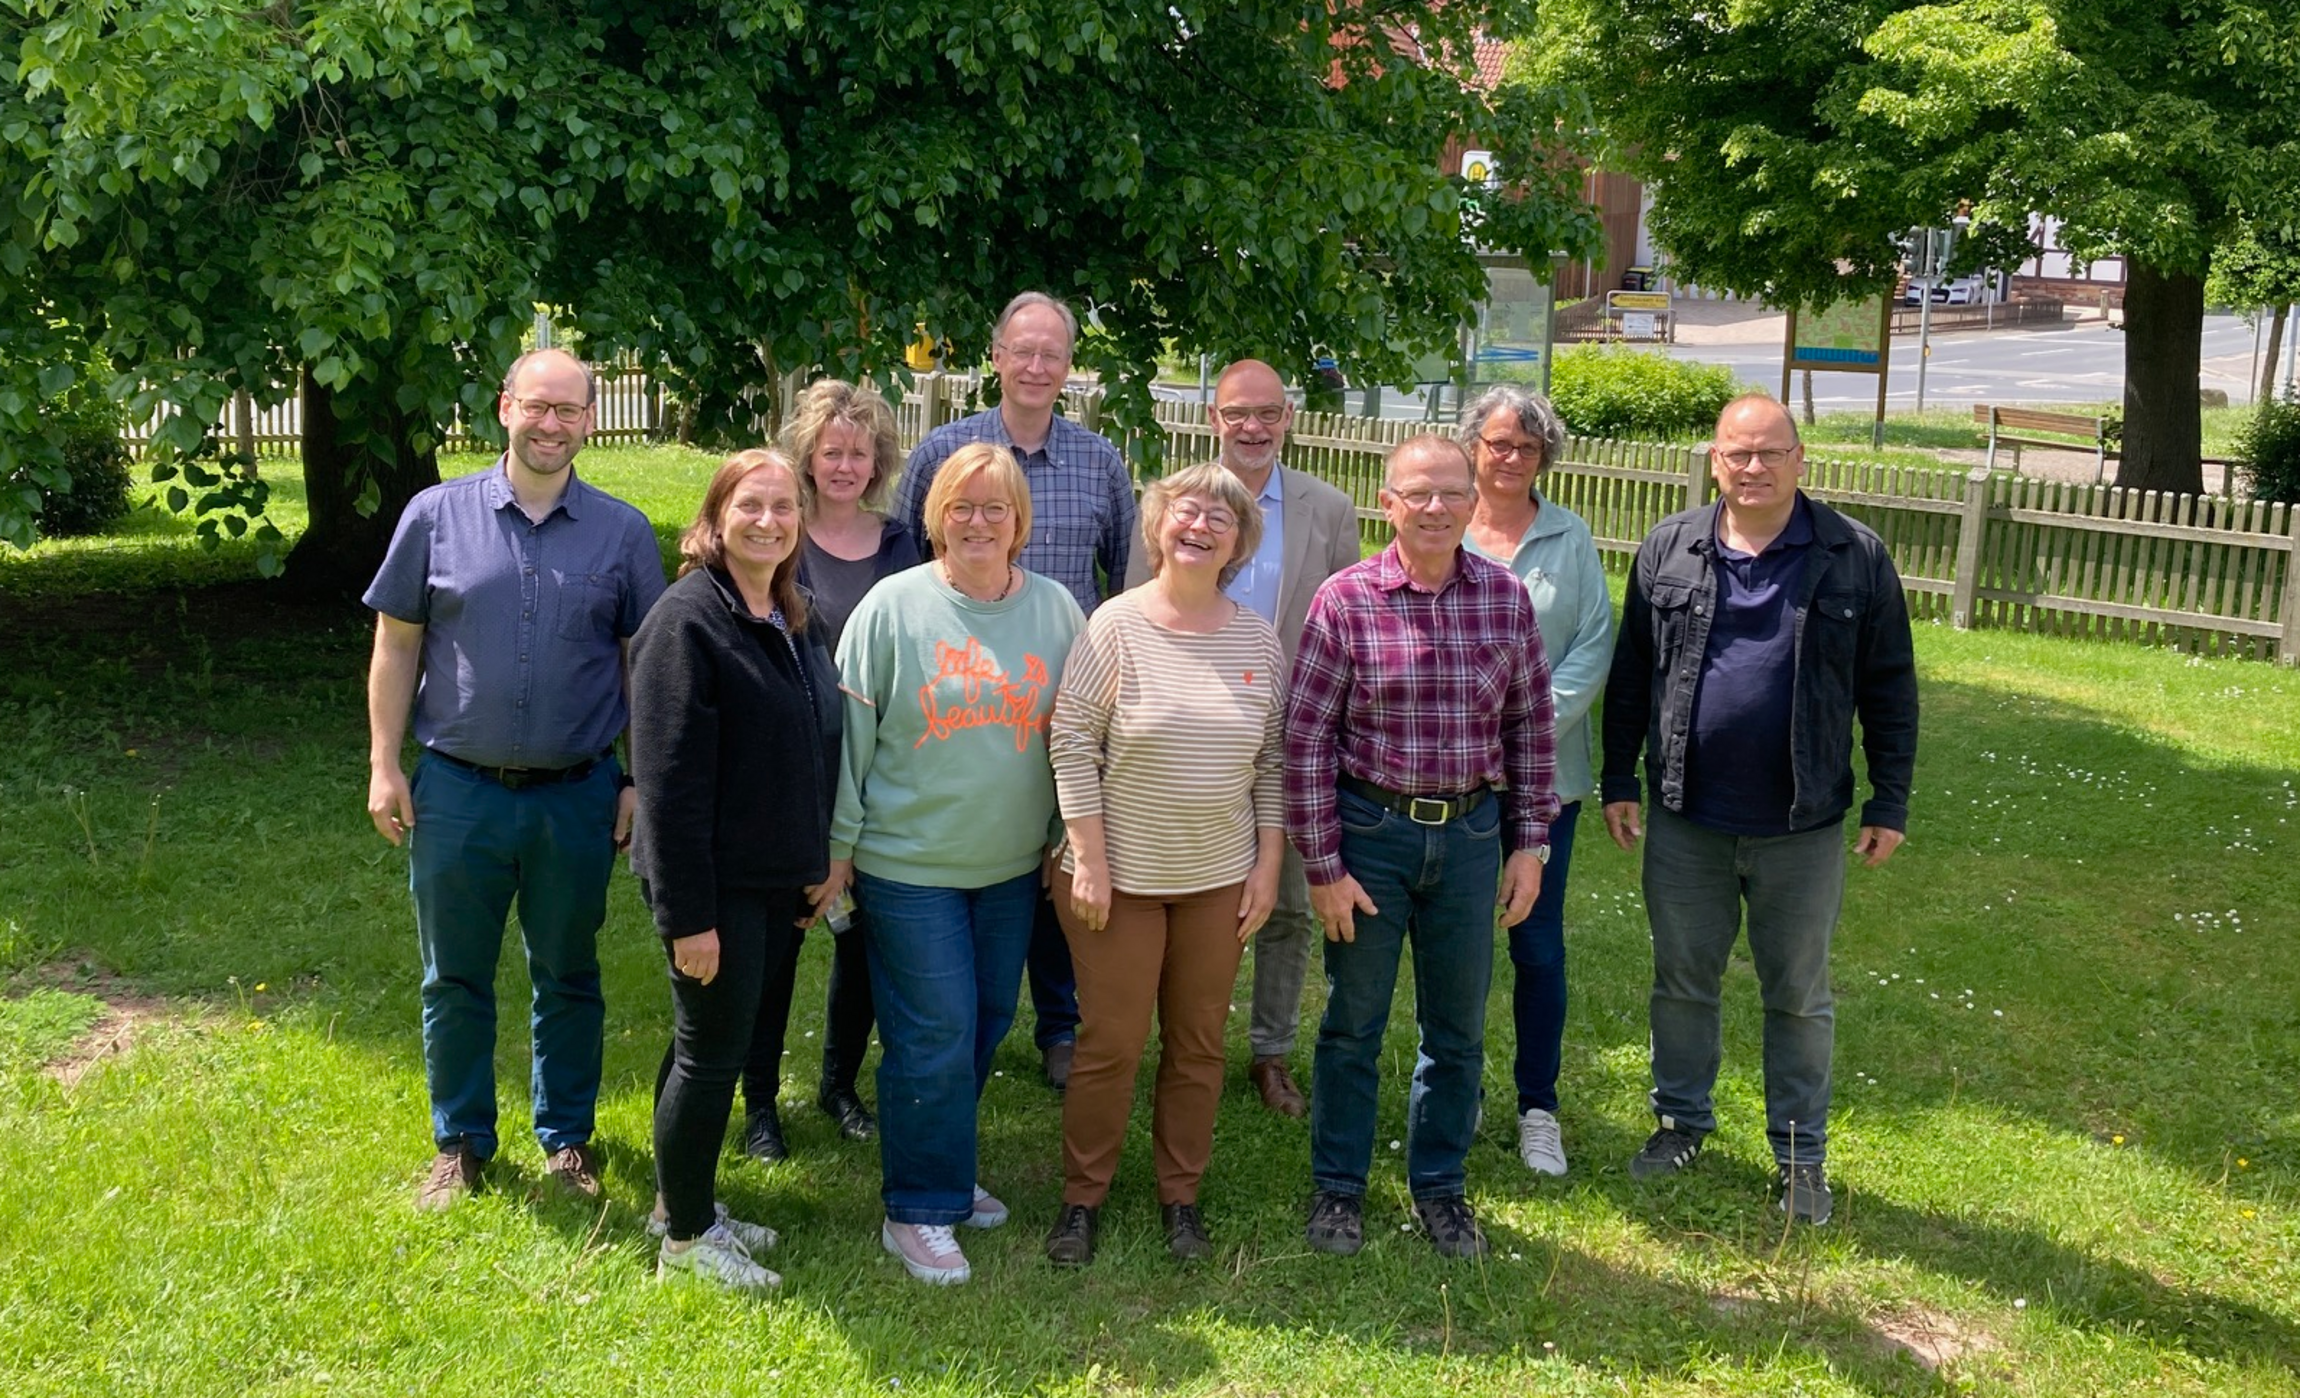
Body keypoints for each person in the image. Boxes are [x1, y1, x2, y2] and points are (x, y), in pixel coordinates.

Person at [1601, 393, 1918, 1226]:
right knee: (1682, 981)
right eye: (1737, 453)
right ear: (1714, 459)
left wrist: (1890, 796)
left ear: (1800, 458)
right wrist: (1619, 780)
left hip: (1801, 824)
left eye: (1769, 452)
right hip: (1685, 817)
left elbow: (1890, 687)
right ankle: (1680, 1123)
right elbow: (1632, 674)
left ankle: (1800, 1155)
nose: (1753, 467)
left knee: (1798, 994)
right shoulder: (1670, 548)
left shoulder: (1853, 555)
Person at [364, 348, 665, 1209]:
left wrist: (637, 780)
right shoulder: (435, 516)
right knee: (452, 975)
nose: (552, 425)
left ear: (590, 421)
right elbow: (396, 643)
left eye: (570, 412)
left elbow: (642, 663)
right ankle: (460, 1142)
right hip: (458, 789)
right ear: (505, 407)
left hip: (578, 793)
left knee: (568, 972)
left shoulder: (623, 532)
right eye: (538, 407)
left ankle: (566, 1139)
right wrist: (386, 764)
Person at [1284, 434, 1558, 1260]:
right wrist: (1323, 867)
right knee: (1352, 1022)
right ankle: (1339, 1189)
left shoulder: (1505, 599)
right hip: (1372, 837)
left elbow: (1531, 727)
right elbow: (1305, 743)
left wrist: (1529, 844)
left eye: (1450, 492)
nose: (1435, 507)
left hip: (1474, 837)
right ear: (1389, 503)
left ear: (1474, 502)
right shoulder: (1345, 599)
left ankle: (1441, 1189)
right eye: (1418, 494)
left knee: (1458, 1030)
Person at [819, 442, 1085, 1284]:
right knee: (931, 1031)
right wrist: (840, 851)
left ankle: (943, 1162)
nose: (977, 522)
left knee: (983, 1021)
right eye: (961, 507)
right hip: (908, 865)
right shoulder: (892, 609)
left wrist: (1061, 839)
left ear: (1020, 523)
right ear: (936, 517)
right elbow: (850, 744)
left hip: (1009, 867)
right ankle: (916, 1210)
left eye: (995, 509)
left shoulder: (1056, 611)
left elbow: (1072, 738)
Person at [892, 292, 1136, 1092]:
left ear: (1070, 367)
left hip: (1069, 697)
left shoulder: (1100, 462)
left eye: (1052, 354)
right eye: (1021, 351)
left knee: (1062, 852)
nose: (1036, 366)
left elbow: (1126, 575)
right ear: (994, 357)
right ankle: (931, 1019)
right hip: (963, 697)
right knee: (981, 849)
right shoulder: (946, 451)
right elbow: (906, 568)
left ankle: (1060, 1024)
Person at [1046, 464, 1287, 1267]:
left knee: (1198, 1044)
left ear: (1238, 542)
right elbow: (1072, 740)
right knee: (1111, 1042)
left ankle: (1180, 1197)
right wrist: (1088, 857)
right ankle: (1083, 1200)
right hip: (1118, 881)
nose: (1202, 526)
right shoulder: (1113, 626)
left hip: (1217, 879)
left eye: (1222, 517)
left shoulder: (1258, 638)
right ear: (1158, 527)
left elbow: (1275, 763)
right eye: (1188, 511)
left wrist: (1268, 863)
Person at [1125, 359, 1359, 1121]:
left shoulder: (1327, 509)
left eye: (1267, 412)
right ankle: (1178, 1044)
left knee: (1288, 903)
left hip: (1295, 735)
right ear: (1213, 418)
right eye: (1237, 414)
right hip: (1183, 736)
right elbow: (1134, 605)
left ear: (1289, 416)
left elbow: (1354, 622)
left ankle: (1269, 1050)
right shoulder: (1174, 504)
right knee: (1180, 896)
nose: (1252, 427)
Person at [629, 449, 841, 1291]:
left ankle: (676, 1202)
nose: (769, 521)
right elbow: (670, 785)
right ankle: (685, 1242)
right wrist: (689, 917)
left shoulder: (791, 615)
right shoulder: (688, 623)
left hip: (769, 878)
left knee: (708, 1044)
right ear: (715, 520)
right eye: (750, 505)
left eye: (784, 507)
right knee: (709, 1055)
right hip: (710, 887)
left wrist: (808, 867)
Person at [730, 380, 921, 1163]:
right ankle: (759, 1102)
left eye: (858, 452)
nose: (844, 465)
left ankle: (840, 1085)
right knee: (772, 948)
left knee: (864, 947)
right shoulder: (778, 533)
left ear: (878, 461)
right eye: (830, 451)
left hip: (880, 778)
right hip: (787, 776)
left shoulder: (908, 543)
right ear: (807, 456)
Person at [1457, 386, 1616, 1178]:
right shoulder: (1446, 526)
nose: (1510, 457)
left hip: (1548, 779)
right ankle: (1457, 1089)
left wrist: (1521, 726)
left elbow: (1592, 646)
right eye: (1496, 443)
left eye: (1525, 445)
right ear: (1473, 449)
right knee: (1458, 946)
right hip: (1455, 776)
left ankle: (1537, 1105)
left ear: (1543, 455)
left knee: (1538, 945)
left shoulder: (1569, 537)